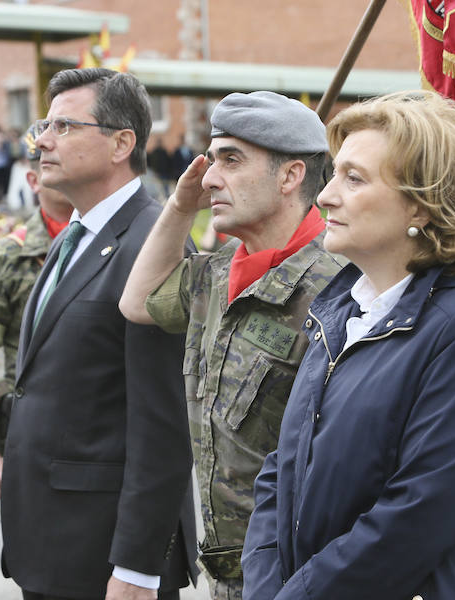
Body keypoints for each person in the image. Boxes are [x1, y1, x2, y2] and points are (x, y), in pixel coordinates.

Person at [242, 91, 455, 600]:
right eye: (334, 174)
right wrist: (268, 587)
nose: (325, 196)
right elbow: (280, 470)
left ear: (422, 202)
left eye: (353, 179)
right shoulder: (340, 311)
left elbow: (419, 513)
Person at [120, 90, 341, 600]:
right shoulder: (217, 274)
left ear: (290, 177)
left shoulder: (340, 284)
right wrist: (178, 206)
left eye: (231, 160)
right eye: (212, 159)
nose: (210, 177)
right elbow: (136, 303)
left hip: (302, 572)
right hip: (229, 575)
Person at [0, 67, 197, 600]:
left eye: (64, 127)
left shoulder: (154, 246)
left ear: (121, 143)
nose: (41, 140)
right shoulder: (78, 235)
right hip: (50, 544)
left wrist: (137, 567)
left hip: (106, 558)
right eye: (43, 124)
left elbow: (165, 425)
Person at [0, 123, 72, 499]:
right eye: (47, 166)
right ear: (33, 180)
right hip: (31, 440)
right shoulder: (6, 257)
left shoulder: (124, 239)